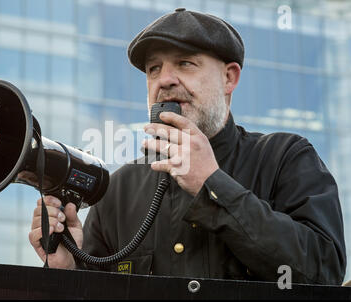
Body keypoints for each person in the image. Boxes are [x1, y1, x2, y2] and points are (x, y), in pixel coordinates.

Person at [28, 8, 346, 284]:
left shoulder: (285, 158)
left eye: (184, 64)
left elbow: (324, 271)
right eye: (154, 69)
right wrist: (69, 270)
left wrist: (212, 184)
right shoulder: (118, 190)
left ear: (229, 78)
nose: (164, 79)